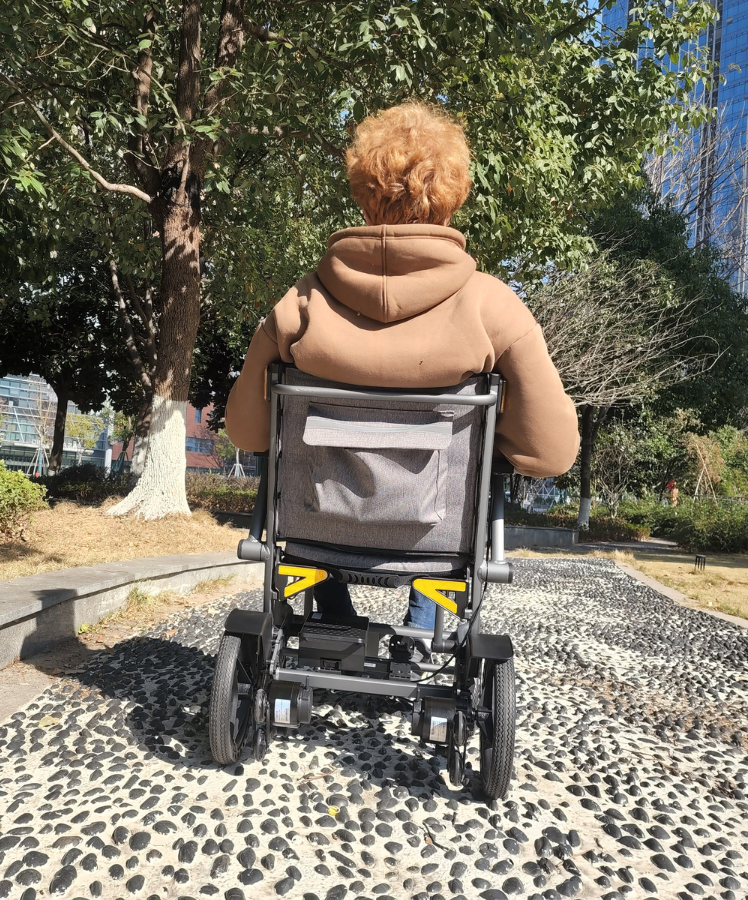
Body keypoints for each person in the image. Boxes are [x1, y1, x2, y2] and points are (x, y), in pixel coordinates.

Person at [225, 102, 579, 659]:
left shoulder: (300, 303)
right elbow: (551, 453)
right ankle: (418, 636)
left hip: (316, 526)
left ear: (363, 192)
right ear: (454, 194)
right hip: (439, 537)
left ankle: (333, 619)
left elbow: (246, 432)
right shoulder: (494, 308)